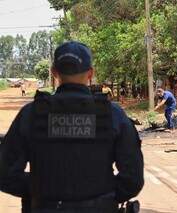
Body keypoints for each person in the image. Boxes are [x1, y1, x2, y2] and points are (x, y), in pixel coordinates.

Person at [0, 41, 144, 213]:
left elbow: (5, 175)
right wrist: (104, 195)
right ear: (90, 73)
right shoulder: (113, 114)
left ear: (54, 72)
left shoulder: (31, 114)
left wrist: (40, 190)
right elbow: (133, 179)